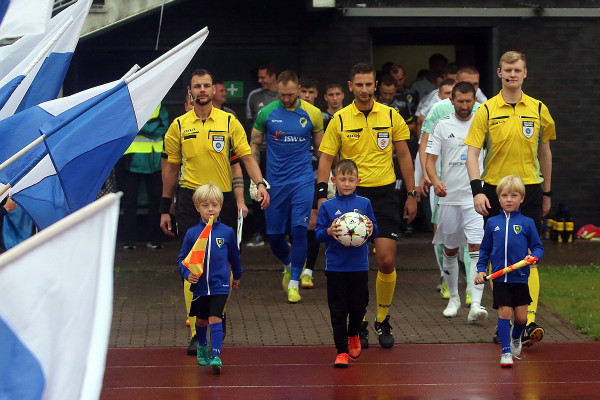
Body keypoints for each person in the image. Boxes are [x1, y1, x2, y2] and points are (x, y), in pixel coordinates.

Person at [161, 69, 269, 355]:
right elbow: (170, 168)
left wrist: (260, 184)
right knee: (192, 264)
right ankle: (197, 333)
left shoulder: (229, 121)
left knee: (222, 263)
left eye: (206, 85)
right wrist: (165, 206)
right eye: (197, 86)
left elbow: (246, 156)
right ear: (190, 91)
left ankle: (218, 316)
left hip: (221, 200)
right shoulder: (178, 125)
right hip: (190, 200)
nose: (202, 90)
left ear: (213, 90)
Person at [317, 62, 418, 349]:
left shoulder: (391, 115)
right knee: (353, 263)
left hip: (385, 195)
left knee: (386, 260)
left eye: (368, 84)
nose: (364, 89)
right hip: (351, 197)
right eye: (358, 84)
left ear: (375, 85)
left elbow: (404, 155)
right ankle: (358, 322)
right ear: (350, 86)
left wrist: (412, 193)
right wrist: (321, 195)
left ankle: (382, 319)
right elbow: (326, 158)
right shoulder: (339, 119)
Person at [466, 51, 555, 347]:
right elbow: (472, 154)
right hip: (495, 190)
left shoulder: (539, 108)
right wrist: (478, 190)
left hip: (529, 189)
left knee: (530, 257)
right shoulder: (486, 110)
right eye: (508, 70)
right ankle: (504, 322)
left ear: (525, 72)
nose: (513, 74)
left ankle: (528, 322)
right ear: (499, 72)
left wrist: (546, 192)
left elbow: (545, 153)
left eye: (518, 70)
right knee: (500, 256)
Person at [250, 69, 324, 303]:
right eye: (282, 95)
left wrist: (329, 177)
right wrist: (256, 178)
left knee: (300, 229)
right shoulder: (267, 113)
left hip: (303, 180)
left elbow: (322, 151)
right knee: (275, 237)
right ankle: (289, 266)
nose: (286, 99)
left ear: (298, 90)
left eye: (291, 95)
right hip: (275, 183)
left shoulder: (313, 113)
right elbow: (254, 144)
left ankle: (294, 284)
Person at [418, 66, 484, 301]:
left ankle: (472, 291)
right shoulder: (439, 111)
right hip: (444, 186)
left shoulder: (484, 112)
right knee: (445, 240)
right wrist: (427, 177)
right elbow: (425, 145)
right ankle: (447, 281)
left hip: (474, 190)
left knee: (474, 242)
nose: (465, 104)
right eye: (460, 98)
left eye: (475, 85)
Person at [474, 175, 544, 367]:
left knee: (521, 318)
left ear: (522, 198)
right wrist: (481, 270)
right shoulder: (492, 223)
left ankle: (516, 336)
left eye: (514, 196)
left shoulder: (527, 223)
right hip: (500, 279)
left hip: (520, 278)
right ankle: (506, 352)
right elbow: (485, 250)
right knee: (505, 313)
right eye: (504, 195)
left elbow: (538, 247)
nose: (509, 200)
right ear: (498, 198)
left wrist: (534, 256)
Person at [315, 159, 378, 368]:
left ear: (358, 181)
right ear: (334, 181)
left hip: (359, 266)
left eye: (351, 180)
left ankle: (353, 334)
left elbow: (375, 230)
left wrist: (371, 228)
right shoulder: (327, 206)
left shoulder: (365, 204)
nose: (347, 184)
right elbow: (318, 234)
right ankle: (341, 351)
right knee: (338, 310)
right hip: (335, 267)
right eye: (342, 179)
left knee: (359, 306)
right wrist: (328, 231)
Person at [178, 184, 242, 374]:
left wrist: (237, 275)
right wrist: (186, 274)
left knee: (215, 318)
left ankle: (216, 355)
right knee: (201, 321)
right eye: (205, 205)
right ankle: (202, 345)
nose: (211, 209)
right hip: (199, 287)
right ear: (197, 207)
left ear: (221, 206)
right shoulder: (192, 233)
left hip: (220, 285)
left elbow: (234, 256)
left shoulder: (227, 232)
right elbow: (182, 259)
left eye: (215, 205)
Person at [119, 103, 169, 249]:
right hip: (133, 160)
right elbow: (128, 126)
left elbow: (165, 127)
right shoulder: (131, 105)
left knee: (156, 201)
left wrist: (141, 127)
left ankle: (154, 240)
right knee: (130, 201)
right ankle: (129, 241)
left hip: (154, 160)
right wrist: (152, 126)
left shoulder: (159, 107)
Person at [245, 63, 279, 248]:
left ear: (273, 76)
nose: (260, 81)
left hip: (279, 153)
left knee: (279, 192)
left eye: (263, 77)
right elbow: (250, 123)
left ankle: (281, 232)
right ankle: (258, 232)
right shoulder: (254, 96)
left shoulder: (284, 96)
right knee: (257, 190)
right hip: (260, 152)